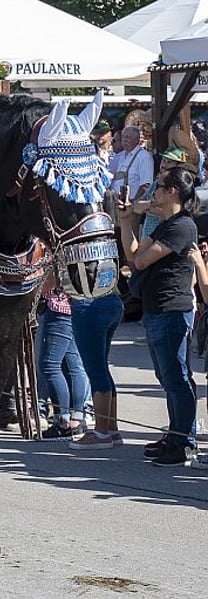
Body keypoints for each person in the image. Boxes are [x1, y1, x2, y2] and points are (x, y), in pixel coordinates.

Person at [119, 166, 202, 466]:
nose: (152, 193)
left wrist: (141, 213)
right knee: (168, 377)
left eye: (158, 188)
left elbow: (140, 261)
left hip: (173, 310)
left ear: (172, 193)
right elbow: (132, 255)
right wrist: (126, 220)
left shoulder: (182, 226)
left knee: (177, 378)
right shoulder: (165, 224)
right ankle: (175, 435)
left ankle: (184, 441)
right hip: (157, 310)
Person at [36, 285, 90, 439]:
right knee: (73, 364)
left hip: (58, 306)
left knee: (50, 366)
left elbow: (50, 279)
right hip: (75, 303)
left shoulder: (56, 259)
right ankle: (76, 419)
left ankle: (63, 422)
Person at [110, 124, 153, 206]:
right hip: (117, 203)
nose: (124, 140)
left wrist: (133, 203)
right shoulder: (121, 156)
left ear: (137, 140)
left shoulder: (144, 156)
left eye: (128, 137)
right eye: (123, 137)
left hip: (130, 204)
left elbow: (146, 185)